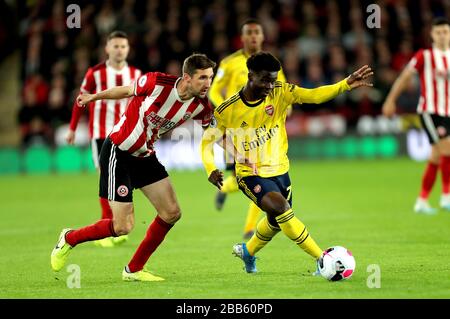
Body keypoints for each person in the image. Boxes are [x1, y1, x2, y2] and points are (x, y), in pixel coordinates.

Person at [201, 52, 372, 273]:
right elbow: (207, 141)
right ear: (250, 75)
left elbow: (314, 96)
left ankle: (248, 251)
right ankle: (323, 260)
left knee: (275, 221)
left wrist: (345, 85)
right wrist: (211, 168)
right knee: (282, 209)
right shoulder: (228, 109)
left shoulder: (280, 92)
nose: (269, 86)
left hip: (281, 170)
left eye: (272, 80)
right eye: (264, 80)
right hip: (250, 174)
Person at [51, 53, 216, 282]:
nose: (208, 83)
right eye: (203, 78)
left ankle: (134, 269)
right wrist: (93, 97)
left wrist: (238, 157)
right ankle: (69, 238)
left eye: (210, 78)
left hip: (145, 156)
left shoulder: (201, 105)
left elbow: (216, 131)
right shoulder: (157, 83)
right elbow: (126, 90)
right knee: (123, 227)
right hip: (118, 152)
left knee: (171, 213)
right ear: (187, 77)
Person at [209, 18, 290, 239]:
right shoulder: (229, 63)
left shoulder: (271, 65)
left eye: (257, 32)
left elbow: (283, 90)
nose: (253, 36)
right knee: (247, 174)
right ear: (243, 37)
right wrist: (225, 112)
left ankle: (248, 227)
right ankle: (227, 187)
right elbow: (214, 91)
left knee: (260, 174)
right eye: (249, 33)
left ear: (263, 36)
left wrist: (286, 107)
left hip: (262, 128)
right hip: (238, 128)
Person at [66, 31, 141, 247]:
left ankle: (121, 222)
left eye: (123, 46)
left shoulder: (136, 73)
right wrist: (72, 128)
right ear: (107, 49)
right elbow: (80, 100)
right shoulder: (95, 73)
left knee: (128, 178)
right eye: (115, 46)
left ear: (128, 49)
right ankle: (108, 224)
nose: (119, 50)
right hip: (100, 134)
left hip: (127, 134)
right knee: (105, 177)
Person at [382, 17, 450, 214]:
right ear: (432, 35)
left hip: (448, 112)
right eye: (438, 32)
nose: (442, 35)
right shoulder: (424, 56)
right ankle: (446, 196)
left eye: (445, 31)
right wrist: (390, 100)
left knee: (437, 156)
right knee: (446, 148)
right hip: (430, 111)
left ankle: (422, 201)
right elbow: (405, 77)